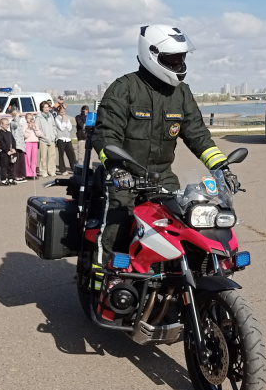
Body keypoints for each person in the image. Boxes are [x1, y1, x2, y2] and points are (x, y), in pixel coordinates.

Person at [91, 24, 235, 269]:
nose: (179, 64)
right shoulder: (123, 88)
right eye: (172, 59)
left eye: (181, 58)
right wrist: (117, 169)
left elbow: (199, 135)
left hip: (163, 179)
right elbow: (106, 134)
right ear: (152, 55)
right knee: (117, 229)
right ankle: (103, 286)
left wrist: (222, 168)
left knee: (185, 228)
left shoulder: (181, 94)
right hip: (124, 180)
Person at [36, 101, 57, 178]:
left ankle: (51, 170)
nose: (47, 108)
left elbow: (54, 126)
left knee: (52, 156)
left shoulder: (50, 116)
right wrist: (43, 136)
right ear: (42, 108)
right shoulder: (38, 117)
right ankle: (43, 171)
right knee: (43, 157)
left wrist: (54, 135)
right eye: (45, 107)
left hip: (51, 139)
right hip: (43, 140)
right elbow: (37, 129)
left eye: (48, 107)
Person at [55, 105, 77, 175]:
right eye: (61, 112)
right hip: (60, 138)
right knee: (61, 155)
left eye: (64, 111)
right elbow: (61, 128)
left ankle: (74, 168)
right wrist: (64, 120)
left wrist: (65, 121)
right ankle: (62, 170)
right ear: (58, 112)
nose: (63, 113)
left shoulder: (68, 118)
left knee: (71, 154)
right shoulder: (57, 118)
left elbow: (69, 128)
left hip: (67, 138)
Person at [0, 118, 17, 185]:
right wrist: (7, 151)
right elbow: (1, 143)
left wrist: (13, 148)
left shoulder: (9, 133)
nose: (7, 126)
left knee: (11, 165)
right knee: (4, 166)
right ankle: (3, 179)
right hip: (4, 152)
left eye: (8, 124)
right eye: (5, 124)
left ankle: (11, 178)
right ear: (1, 124)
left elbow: (13, 141)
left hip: (11, 152)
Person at [10, 109, 27, 182]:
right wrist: (17, 117)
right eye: (18, 115)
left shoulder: (20, 123)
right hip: (16, 144)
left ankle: (21, 174)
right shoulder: (12, 123)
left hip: (21, 144)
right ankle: (16, 175)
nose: (19, 117)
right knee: (16, 161)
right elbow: (15, 125)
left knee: (21, 161)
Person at [23, 113, 41, 178]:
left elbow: (38, 134)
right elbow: (24, 135)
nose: (30, 119)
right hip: (28, 142)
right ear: (26, 119)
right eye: (29, 118)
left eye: (31, 118)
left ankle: (33, 172)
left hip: (35, 142)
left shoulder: (35, 125)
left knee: (34, 158)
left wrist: (35, 128)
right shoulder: (25, 125)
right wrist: (28, 128)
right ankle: (28, 173)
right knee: (27, 158)